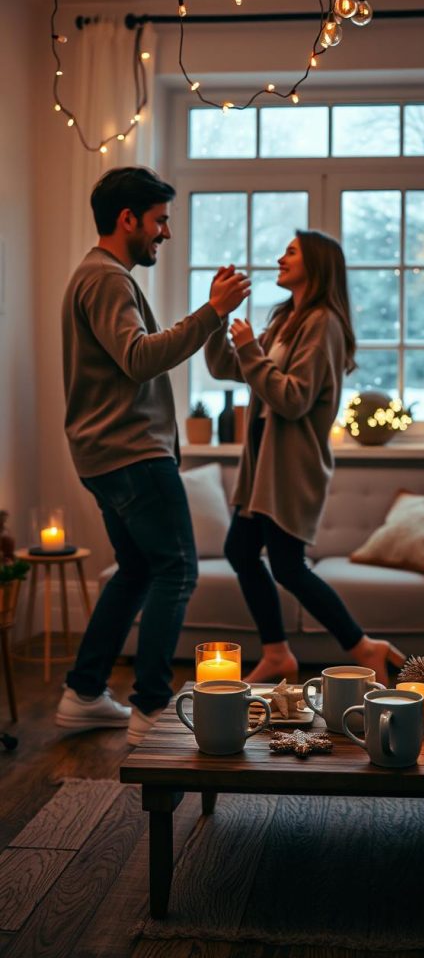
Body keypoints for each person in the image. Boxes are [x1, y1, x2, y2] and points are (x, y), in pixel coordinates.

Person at [56, 166, 250, 744]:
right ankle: (151, 709)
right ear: (128, 219)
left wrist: (211, 315)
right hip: (132, 455)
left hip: (108, 455)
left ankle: (83, 693)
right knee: (177, 570)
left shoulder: (99, 277)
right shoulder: (107, 279)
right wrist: (211, 312)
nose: (165, 233)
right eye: (159, 221)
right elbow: (138, 358)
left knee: (139, 570)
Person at [205, 230, 405, 685]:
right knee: (241, 550)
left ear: (316, 264)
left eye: (291, 252)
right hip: (262, 465)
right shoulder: (286, 320)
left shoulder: (323, 324)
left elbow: (294, 399)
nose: (281, 258)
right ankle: (278, 653)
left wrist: (250, 349)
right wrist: (218, 316)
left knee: (287, 566)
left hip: (291, 468)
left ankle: (362, 647)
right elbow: (225, 367)